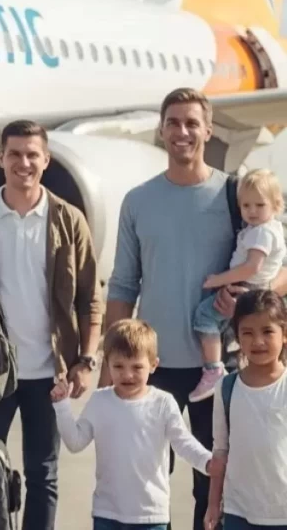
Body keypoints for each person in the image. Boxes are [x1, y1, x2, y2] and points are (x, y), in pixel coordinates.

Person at [104, 87, 287, 530]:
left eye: (192, 123)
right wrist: (111, 360)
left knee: (213, 484)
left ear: (208, 130)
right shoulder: (138, 200)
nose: (182, 132)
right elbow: (124, 283)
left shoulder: (237, 196)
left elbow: (279, 266)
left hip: (218, 369)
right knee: (145, 483)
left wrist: (251, 293)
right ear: (161, 130)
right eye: (173, 122)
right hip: (152, 366)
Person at [0, 119, 103, 530]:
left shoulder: (69, 220)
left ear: (46, 159)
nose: (24, 163)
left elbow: (90, 297)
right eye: (15, 154)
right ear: (1, 159)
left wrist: (86, 360)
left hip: (50, 373)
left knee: (43, 474)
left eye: (32, 154)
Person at [51, 319, 212, 530]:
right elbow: (75, 442)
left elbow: (183, 443)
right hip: (107, 513)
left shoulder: (163, 403)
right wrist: (61, 406)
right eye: (118, 366)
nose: (127, 375)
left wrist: (208, 462)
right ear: (107, 363)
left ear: (153, 365)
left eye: (137, 367)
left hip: (151, 516)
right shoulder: (99, 401)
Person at [191, 168, 286, 401]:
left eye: (259, 205)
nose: (252, 211)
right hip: (255, 290)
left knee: (205, 316)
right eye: (246, 205)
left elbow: (252, 266)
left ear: (276, 205)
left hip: (248, 288)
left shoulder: (261, 233)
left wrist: (218, 279)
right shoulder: (267, 228)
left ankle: (213, 369)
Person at [206, 289, 287, 530]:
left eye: (267, 331)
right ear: (237, 336)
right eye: (248, 333)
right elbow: (220, 450)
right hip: (238, 512)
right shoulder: (226, 387)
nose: (258, 341)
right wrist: (213, 504)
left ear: (284, 334)